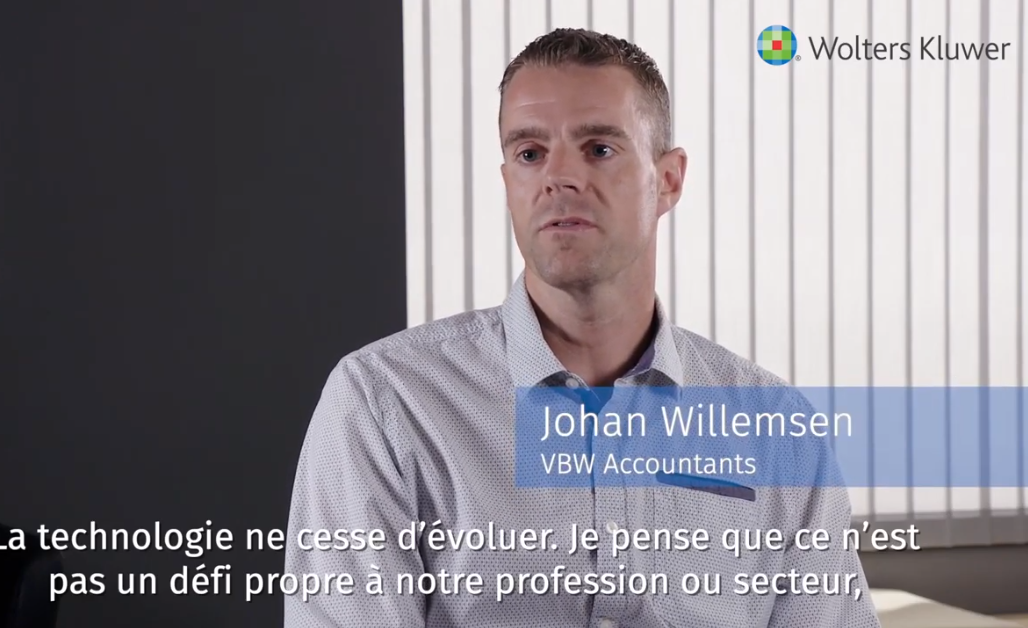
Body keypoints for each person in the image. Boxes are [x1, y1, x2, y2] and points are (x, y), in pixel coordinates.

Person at [284, 28, 880, 628]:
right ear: (508, 184)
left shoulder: (779, 435)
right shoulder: (384, 404)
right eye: (529, 153)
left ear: (668, 180)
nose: (559, 176)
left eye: (598, 148)